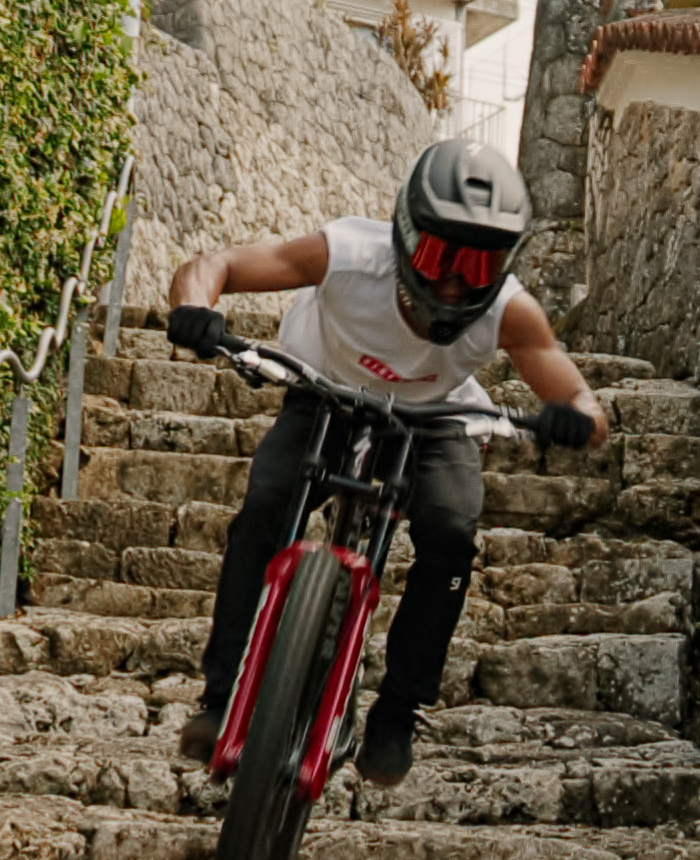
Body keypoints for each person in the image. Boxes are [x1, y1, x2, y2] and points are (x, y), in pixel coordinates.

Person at [165, 139, 607, 785]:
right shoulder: (347, 255)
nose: (454, 282)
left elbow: (582, 400)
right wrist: (194, 309)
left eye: (477, 266)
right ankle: (221, 697)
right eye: (439, 257)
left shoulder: (509, 310)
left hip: (435, 416)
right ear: (404, 236)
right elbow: (217, 264)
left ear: (504, 265)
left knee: (450, 534)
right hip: (323, 390)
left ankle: (398, 710)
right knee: (264, 508)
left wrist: (576, 417)